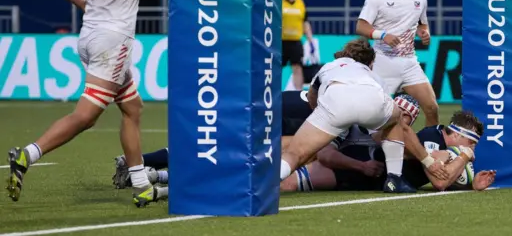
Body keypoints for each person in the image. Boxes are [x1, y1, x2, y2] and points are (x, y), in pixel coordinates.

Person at [5, 0, 165, 208]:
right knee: (86, 116)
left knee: (132, 108)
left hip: (88, 36)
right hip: (114, 40)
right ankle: (27, 155)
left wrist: (83, 3)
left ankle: (140, 184)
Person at [112, 92, 425, 191]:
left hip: (294, 112)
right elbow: (323, 152)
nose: (401, 132)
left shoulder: (373, 115)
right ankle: (144, 166)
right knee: (231, 147)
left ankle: (153, 172)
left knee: (231, 148)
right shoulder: (367, 116)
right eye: (403, 124)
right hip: (289, 113)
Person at [280, 37, 447, 193]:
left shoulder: (329, 66)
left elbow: (312, 97)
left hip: (332, 104)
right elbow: (326, 155)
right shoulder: (373, 77)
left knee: (295, 154)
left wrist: (321, 116)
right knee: (395, 122)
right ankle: (394, 179)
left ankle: (267, 183)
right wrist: (428, 161)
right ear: (371, 63)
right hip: (367, 104)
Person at [281, 110, 496, 193]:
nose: (472, 147)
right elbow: (440, 182)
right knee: (288, 183)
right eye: (471, 141)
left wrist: (472, 184)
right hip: (360, 165)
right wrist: (464, 157)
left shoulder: (446, 147)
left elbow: (447, 179)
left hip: (372, 180)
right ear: (457, 134)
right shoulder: (433, 137)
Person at [356, 0, 439, 127]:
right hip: (382, 62)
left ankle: (430, 149)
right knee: (372, 114)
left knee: (432, 108)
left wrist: (425, 33)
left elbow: (422, 24)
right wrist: (382, 35)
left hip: (409, 62)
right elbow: (360, 26)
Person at [282, 0, 315, 90]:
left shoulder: (300, 3)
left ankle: (298, 93)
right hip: (281, 41)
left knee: (297, 67)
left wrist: (310, 40)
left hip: (295, 42)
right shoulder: (279, 2)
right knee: (275, 68)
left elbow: (305, 23)